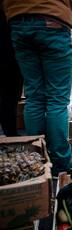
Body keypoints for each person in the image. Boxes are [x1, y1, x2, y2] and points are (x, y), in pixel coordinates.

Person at [2, 0, 72, 174]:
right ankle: (61, 163)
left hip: (18, 23)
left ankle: (35, 160)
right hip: (52, 21)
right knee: (56, 100)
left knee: (34, 97)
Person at [0, 7, 23, 137]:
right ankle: (11, 133)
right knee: (10, 95)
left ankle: (10, 132)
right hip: (10, 51)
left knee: (8, 96)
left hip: (10, 48)